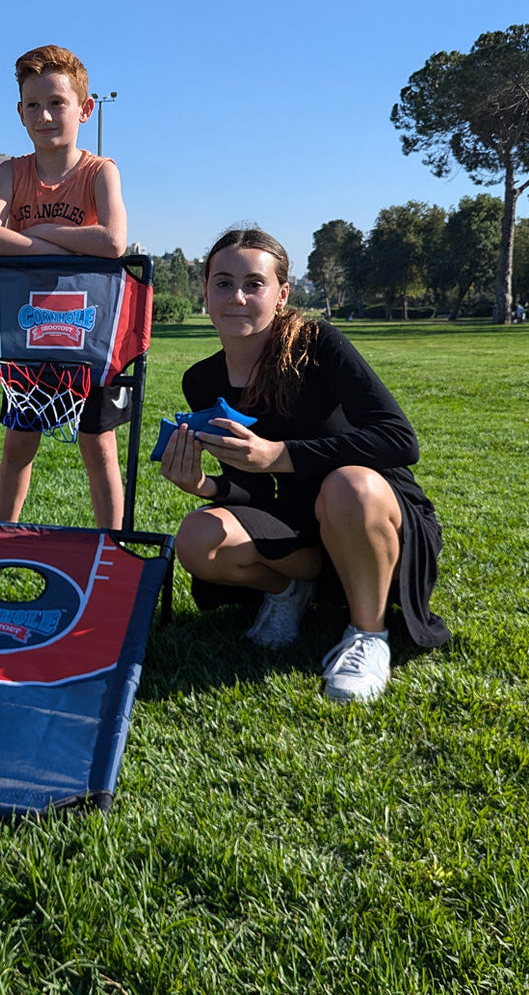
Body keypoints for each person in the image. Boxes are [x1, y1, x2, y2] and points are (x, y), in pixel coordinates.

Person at [159, 228, 449, 703]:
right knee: (196, 538)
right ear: (205, 293)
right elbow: (249, 488)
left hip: (372, 513)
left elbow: (400, 439)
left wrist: (280, 455)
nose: (237, 296)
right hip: (298, 524)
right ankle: (289, 590)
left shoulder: (318, 344)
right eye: (223, 283)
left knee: (347, 486)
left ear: (281, 295)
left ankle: (368, 636)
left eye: (254, 284)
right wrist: (205, 485)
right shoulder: (203, 379)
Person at [0, 44, 128, 529]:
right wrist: (70, 248)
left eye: (57, 103)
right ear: (20, 113)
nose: (45, 115)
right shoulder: (10, 172)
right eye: (33, 105)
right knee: (19, 441)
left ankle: (113, 546)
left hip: (89, 331)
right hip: (29, 330)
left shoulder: (100, 171)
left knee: (97, 445)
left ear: (85, 108)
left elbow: (113, 241)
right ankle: (0, 533)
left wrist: (38, 235)